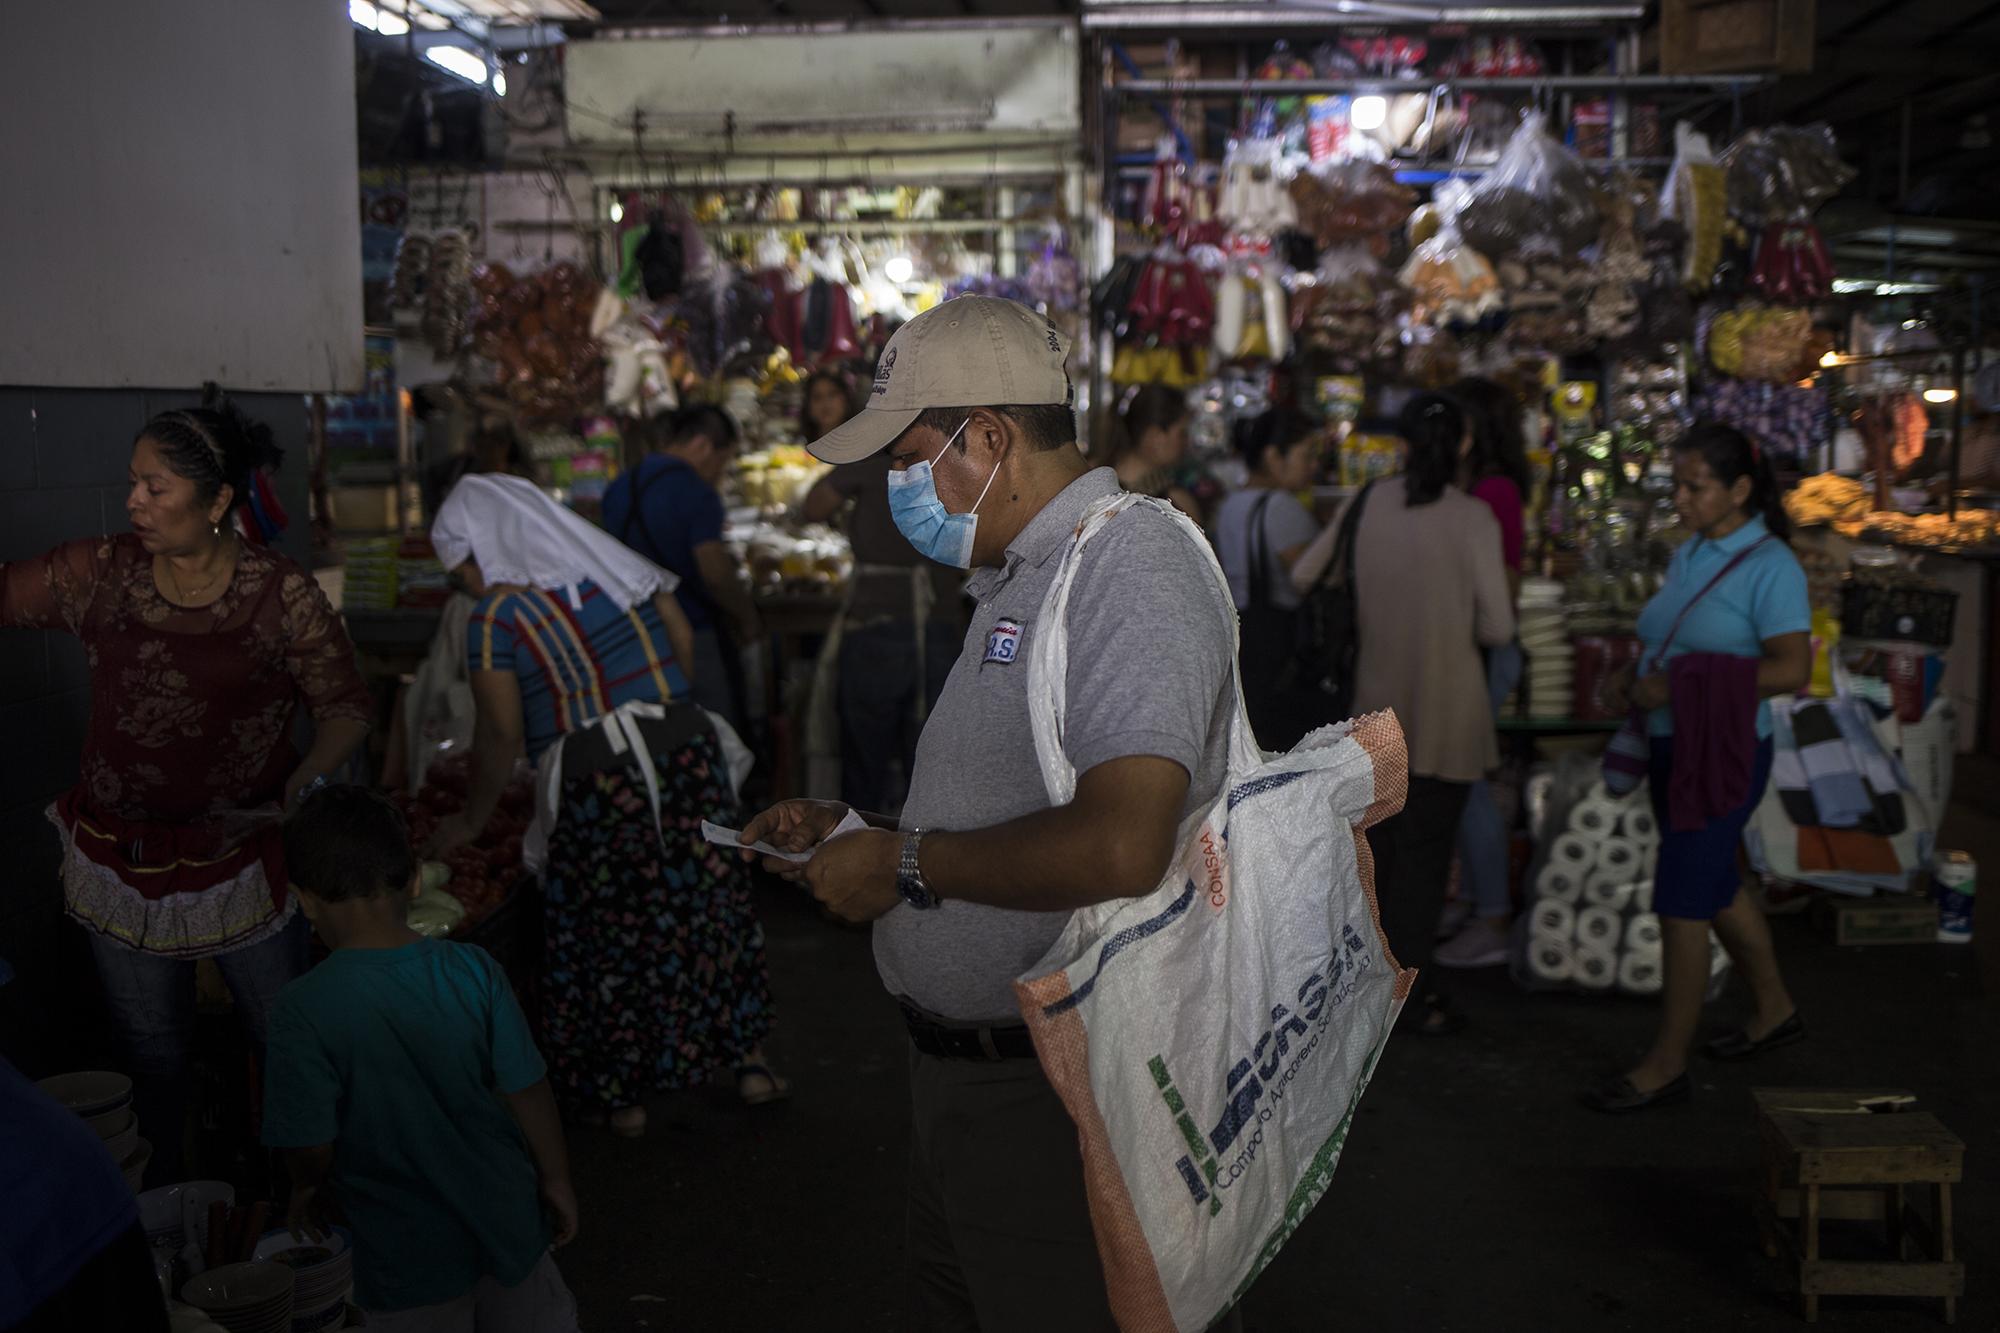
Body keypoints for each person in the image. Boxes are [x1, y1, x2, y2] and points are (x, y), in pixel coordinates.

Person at [739, 296, 1239, 1331]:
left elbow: (1120, 838)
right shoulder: (1026, 573)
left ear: (991, 438)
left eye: (912, 456)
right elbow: (1020, 802)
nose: (897, 485)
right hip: (970, 1090)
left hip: (1060, 1100)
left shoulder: (1127, 563)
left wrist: (909, 864)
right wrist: (865, 831)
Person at [0, 387, 372, 1183]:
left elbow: (344, 708)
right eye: (131, 480)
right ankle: (173, 1212)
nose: (133, 500)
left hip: (244, 862)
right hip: (118, 860)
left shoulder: (280, 594)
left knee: (285, 1040)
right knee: (150, 1053)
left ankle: (301, 1203)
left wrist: (298, 784)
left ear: (218, 501)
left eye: (155, 486)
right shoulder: (101, 572)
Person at [428, 474, 783, 1135]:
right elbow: (676, 629)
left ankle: (624, 1097)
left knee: (605, 924)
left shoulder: (497, 615)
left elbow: (500, 729)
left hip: (593, 772)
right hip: (685, 746)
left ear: (483, 548)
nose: (467, 584)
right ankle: (750, 1062)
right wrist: (650, 700)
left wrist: (471, 820)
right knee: (708, 903)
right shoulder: (604, 567)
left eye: (461, 568)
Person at [263, 786, 581, 1331]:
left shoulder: (302, 1009)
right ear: (414, 878)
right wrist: (556, 1179)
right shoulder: (475, 968)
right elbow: (528, 1089)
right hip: (507, 1223)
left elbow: (310, 1142)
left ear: (304, 900)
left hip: (402, 1252)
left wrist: (306, 1187)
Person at [1582, 423, 1811, 1113]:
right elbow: (1670, 637)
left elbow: (1792, 668)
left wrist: (1679, 686)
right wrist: (1632, 678)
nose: (1679, 498)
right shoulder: (1691, 553)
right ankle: (1774, 1008)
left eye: (1694, 486)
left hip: (1724, 754)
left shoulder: (1773, 567)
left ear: (1740, 489)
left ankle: (1666, 1062)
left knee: (1682, 898)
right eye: (1674, 485)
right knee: (1713, 882)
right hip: (1669, 744)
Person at [1345, 393, 1515, 1035]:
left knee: (1378, 859)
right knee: (1423, 864)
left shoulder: (1368, 503)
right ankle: (1408, 1000)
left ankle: (1365, 995)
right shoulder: (1473, 518)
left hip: (1374, 723)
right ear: (1464, 445)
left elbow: (1307, 576)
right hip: (1448, 718)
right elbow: (1499, 626)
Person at [797, 370, 963, 813]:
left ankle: (863, 856)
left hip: (880, 629)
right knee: (930, 763)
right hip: (941, 624)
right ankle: (922, 865)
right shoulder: (952, 456)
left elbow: (812, 506)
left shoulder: (875, 457)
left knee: (867, 766)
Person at [1434, 378, 1532, 968]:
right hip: (1470, 646)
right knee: (1462, 777)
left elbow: (1505, 587)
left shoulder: (1494, 491)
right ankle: (1475, 899)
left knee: (1467, 781)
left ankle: (1493, 915)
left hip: (1485, 649)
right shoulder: (1479, 487)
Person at [600, 404, 761, 729]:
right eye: (722, 462)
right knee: (713, 735)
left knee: (657, 735)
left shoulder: (618, 488)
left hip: (633, 637)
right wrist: (747, 618)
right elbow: (714, 572)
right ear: (702, 446)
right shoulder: (696, 492)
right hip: (694, 635)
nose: (719, 473)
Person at [1212, 406, 1328, 750]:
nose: (1313, 466)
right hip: (1278, 641)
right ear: (1272, 456)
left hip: (1243, 639)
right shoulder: (1281, 507)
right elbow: (1308, 577)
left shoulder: (1231, 503)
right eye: (1306, 455)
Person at [1096, 383, 1204, 521]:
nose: (1186, 442)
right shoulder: (1176, 504)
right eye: (1182, 433)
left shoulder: (1094, 486)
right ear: (1155, 436)